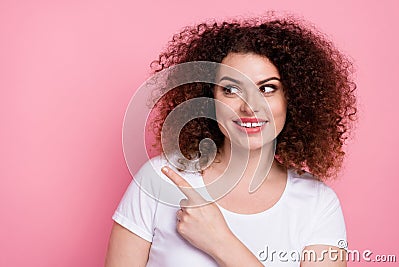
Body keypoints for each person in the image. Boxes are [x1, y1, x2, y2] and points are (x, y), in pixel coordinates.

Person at [105, 14, 357, 267]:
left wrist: (221, 242)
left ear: (293, 98)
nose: (249, 107)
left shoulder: (317, 204)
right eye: (231, 90)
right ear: (209, 98)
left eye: (267, 88)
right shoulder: (158, 180)